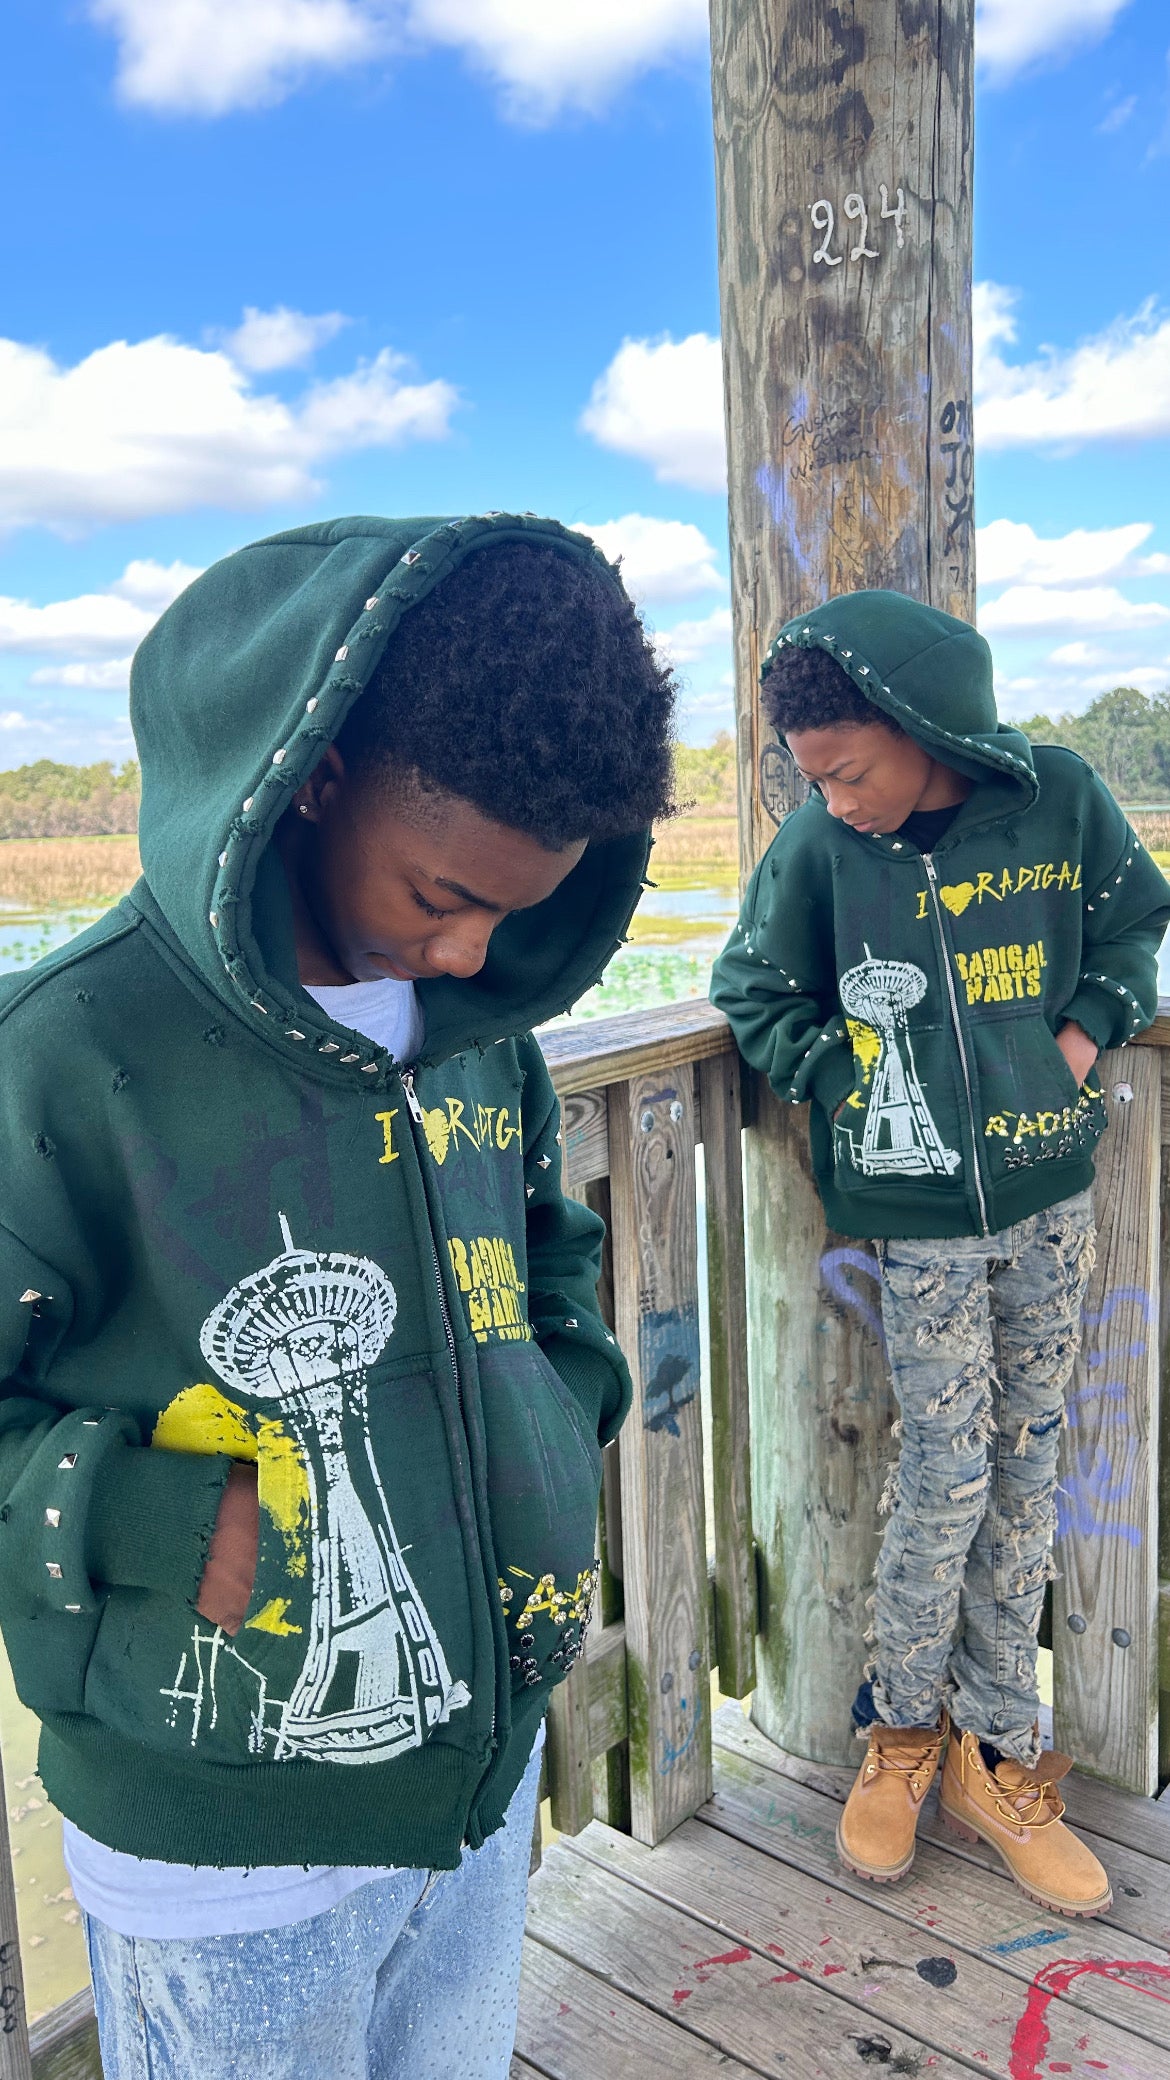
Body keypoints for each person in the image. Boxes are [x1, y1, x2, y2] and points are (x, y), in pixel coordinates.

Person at [0, 514, 676, 2077]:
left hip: (478, 1782)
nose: (471, 949)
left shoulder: (474, 1033)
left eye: (517, 912)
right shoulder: (60, 1058)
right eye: (442, 891)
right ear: (312, 774)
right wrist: (152, 1524)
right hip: (220, 1850)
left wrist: (551, 1409)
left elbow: (545, 1250)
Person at [710, 589, 1169, 1920]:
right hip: (915, 1220)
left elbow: (1135, 922)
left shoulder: (1061, 800)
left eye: (850, 770)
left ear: (926, 728)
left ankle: (997, 1753)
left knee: (1027, 1460)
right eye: (814, 779)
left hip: (1048, 1194)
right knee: (945, 1470)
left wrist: (1078, 1036)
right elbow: (752, 989)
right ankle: (903, 1730)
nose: (834, 800)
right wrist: (841, 1082)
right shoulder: (820, 849)